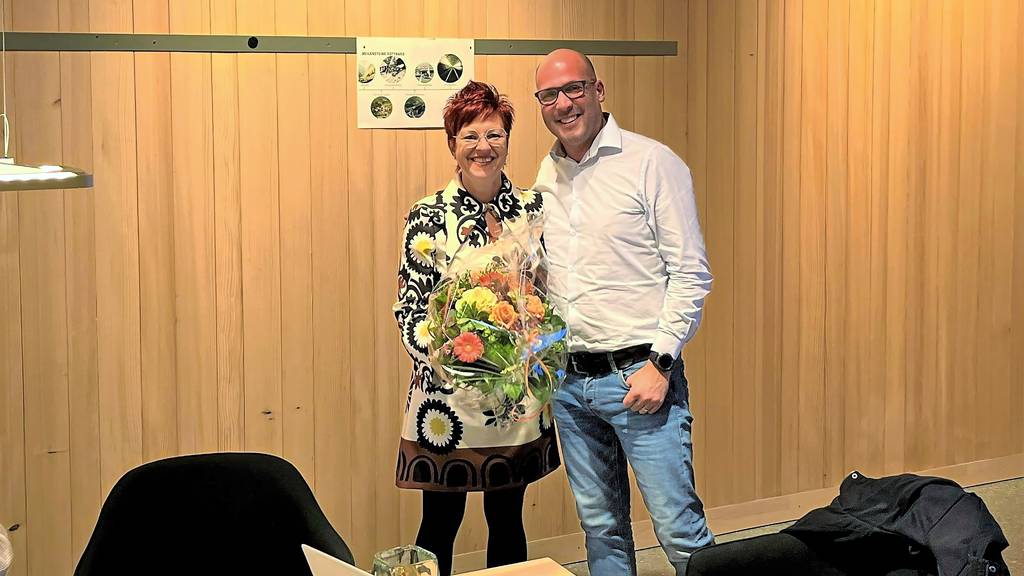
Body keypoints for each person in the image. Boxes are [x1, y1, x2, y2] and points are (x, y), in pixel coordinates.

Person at [532, 49, 715, 575]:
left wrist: (661, 363)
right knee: (601, 528)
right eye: (549, 95)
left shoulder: (651, 162)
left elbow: (691, 272)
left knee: (678, 529)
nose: (564, 104)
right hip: (570, 385)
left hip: (640, 377)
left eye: (574, 88)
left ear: (599, 90)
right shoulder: (546, 175)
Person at [393, 81, 560, 576]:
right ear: (453, 144)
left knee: (507, 518)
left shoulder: (532, 209)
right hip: (447, 399)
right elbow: (410, 309)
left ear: (507, 140)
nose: (483, 146)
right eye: (470, 135)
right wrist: (456, 363)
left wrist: (532, 355)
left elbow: (546, 297)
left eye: (494, 134)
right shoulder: (428, 215)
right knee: (439, 521)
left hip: (514, 396)